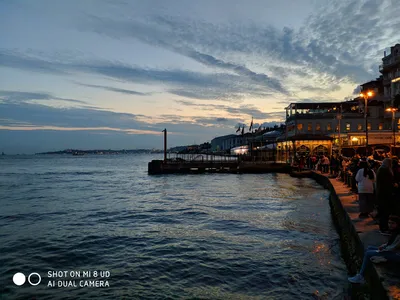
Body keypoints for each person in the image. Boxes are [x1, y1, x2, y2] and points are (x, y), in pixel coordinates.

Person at [348, 215, 400, 284]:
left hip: (396, 255)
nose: (390, 225)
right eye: (389, 223)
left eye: (392, 223)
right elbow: (390, 243)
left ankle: (360, 276)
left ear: (397, 224)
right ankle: (364, 269)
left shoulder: (398, 234)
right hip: (392, 251)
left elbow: (394, 247)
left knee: (368, 253)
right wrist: (383, 246)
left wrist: (381, 250)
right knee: (369, 248)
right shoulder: (394, 231)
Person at [376, 158, 394, 234]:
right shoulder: (384, 170)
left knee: (383, 212)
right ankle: (384, 228)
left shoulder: (381, 169)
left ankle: (383, 227)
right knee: (385, 212)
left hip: (381, 194)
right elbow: (386, 183)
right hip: (384, 195)